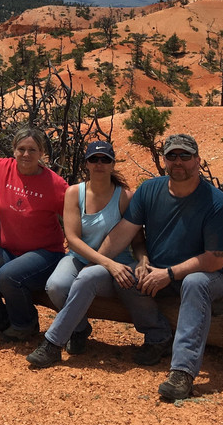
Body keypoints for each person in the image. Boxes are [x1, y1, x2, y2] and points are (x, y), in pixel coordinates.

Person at [93, 133, 223, 402]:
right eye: (172, 156)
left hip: (208, 276)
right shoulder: (150, 190)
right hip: (160, 272)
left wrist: (169, 274)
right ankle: (158, 336)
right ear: (164, 161)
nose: (178, 161)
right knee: (124, 275)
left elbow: (216, 259)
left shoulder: (216, 204)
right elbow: (124, 232)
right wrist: (100, 262)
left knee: (194, 283)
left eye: (185, 156)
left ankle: (182, 371)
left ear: (198, 160)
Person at [26, 140, 150, 367]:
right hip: (81, 258)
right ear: (86, 164)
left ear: (113, 164)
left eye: (105, 160)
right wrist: (104, 262)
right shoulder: (74, 193)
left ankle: (53, 343)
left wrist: (143, 260)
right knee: (56, 286)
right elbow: (72, 239)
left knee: (83, 281)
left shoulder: (125, 198)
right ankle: (80, 328)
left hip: (118, 265)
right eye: (94, 159)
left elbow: (138, 240)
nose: (99, 164)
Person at [0, 125, 68, 341]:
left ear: (42, 153)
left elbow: (72, 217)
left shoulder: (56, 184)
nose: (26, 154)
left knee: (8, 276)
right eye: (21, 149)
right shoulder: (4, 167)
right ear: (13, 150)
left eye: (32, 150)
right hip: (10, 249)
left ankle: (25, 324)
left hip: (46, 252)